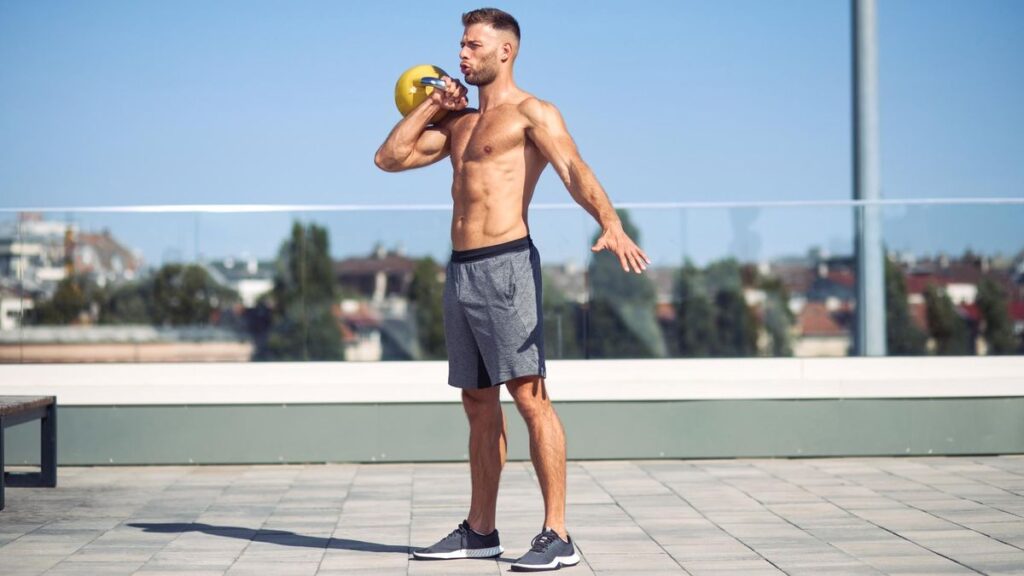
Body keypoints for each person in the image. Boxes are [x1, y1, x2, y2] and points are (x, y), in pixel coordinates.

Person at [374, 7, 650, 572]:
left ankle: (558, 533)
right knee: (477, 403)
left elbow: (574, 169)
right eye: (461, 43)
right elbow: (389, 158)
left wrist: (610, 222)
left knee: (529, 397)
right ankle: (480, 530)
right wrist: (434, 103)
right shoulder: (458, 125)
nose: (461, 53)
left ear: (506, 51)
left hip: (507, 266)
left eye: (473, 45)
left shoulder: (532, 113)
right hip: (461, 270)